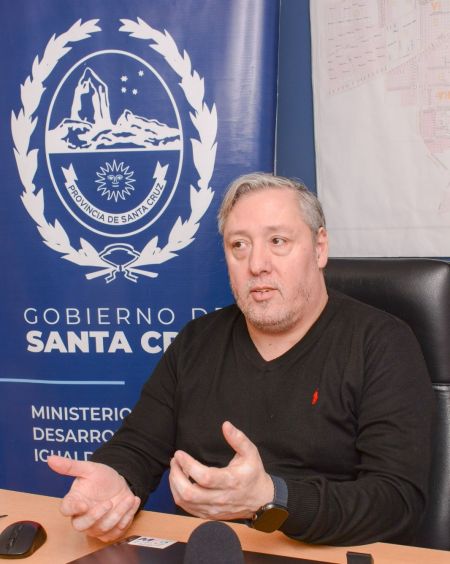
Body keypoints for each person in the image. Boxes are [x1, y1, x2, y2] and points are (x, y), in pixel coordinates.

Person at [48, 172, 434, 546]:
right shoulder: (197, 341)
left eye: (278, 241)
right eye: (239, 245)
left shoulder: (381, 343)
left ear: (319, 248)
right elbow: (138, 445)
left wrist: (272, 498)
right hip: (210, 553)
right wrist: (115, 479)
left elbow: (396, 502)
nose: (256, 264)